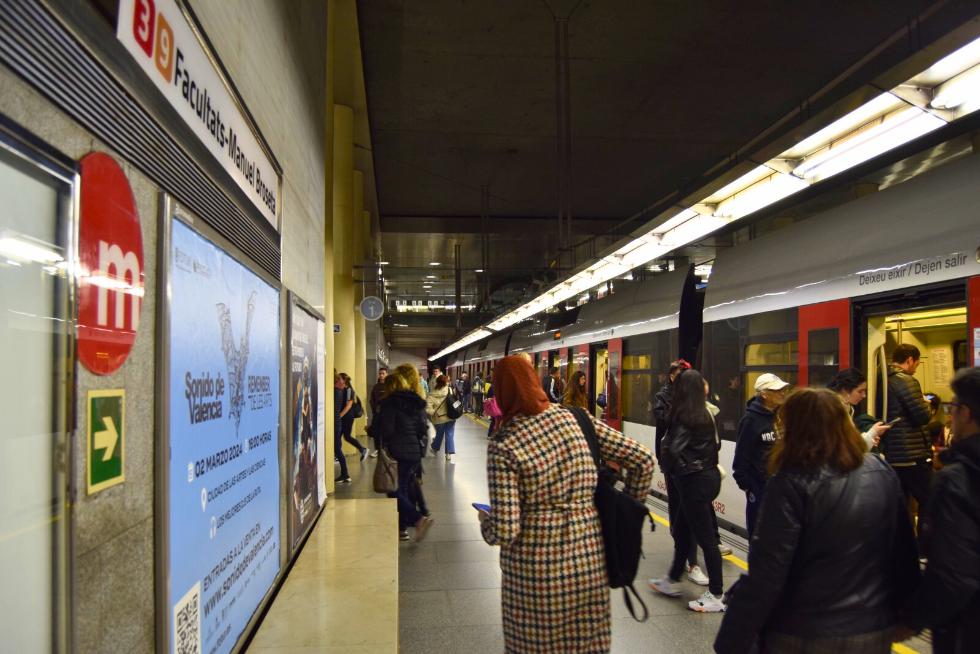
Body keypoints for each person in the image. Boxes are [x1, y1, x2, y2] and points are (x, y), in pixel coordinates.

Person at [715, 387, 920, 654]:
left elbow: (768, 573)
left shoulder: (790, 482)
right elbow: (904, 550)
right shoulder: (880, 471)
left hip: (803, 632)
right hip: (872, 628)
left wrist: (731, 640)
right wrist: (909, 615)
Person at [478, 355, 655, 652]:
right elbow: (644, 460)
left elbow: (506, 530)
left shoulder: (503, 444)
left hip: (533, 574)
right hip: (588, 561)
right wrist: (629, 508)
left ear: (502, 393)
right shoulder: (575, 418)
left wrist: (487, 524)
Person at [899, 367, 980, 653]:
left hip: (968, 628)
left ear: (967, 413)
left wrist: (912, 619)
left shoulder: (956, 478)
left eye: (953, 407)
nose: (949, 414)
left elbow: (953, 574)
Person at [649, 369, 726, 612]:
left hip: (692, 483)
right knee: (682, 531)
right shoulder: (707, 412)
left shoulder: (684, 416)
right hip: (706, 477)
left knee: (706, 540)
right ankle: (671, 580)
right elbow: (717, 444)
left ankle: (716, 594)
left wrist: (668, 467)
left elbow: (671, 450)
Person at [374, 369, 434, 543]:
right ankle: (404, 527)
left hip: (397, 452)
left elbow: (387, 430)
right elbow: (422, 428)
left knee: (393, 490)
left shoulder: (389, 404)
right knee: (404, 488)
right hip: (414, 452)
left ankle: (417, 519)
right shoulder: (415, 402)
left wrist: (375, 431)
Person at [883, 344, 934, 539]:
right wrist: (927, 404)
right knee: (929, 500)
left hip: (894, 455)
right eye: (917, 363)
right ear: (910, 360)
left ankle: (904, 548)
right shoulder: (907, 380)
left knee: (901, 503)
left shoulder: (883, 378)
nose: (915, 367)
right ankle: (924, 547)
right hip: (912, 454)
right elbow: (922, 416)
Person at [732, 373, 788, 537]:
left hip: (781, 487)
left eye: (784, 389)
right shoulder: (750, 420)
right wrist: (750, 487)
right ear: (764, 394)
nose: (783, 393)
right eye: (777, 390)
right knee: (760, 536)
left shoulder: (780, 416)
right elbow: (741, 457)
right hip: (760, 488)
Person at [827, 367, 892, 451]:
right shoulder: (833, 409)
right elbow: (843, 447)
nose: (864, 395)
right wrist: (871, 433)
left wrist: (870, 439)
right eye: (860, 391)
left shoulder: (847, 408)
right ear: (845, 390)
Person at [426, 374, 458, 463]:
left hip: (439, 418)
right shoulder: (449, 390)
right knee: (450, 434)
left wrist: (433, 413)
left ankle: (435, 447)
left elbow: (428, 408)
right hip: (450, 416)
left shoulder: (432, 394)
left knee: (439, 433)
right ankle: (448, 453)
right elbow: (454, 402)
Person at [338, 372, 368, 461]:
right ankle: (337, 454)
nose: (338, 380)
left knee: (346, 436)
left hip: (347, 416)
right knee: (339, 435)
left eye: (339, 378)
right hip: (344, 416)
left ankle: (363, 449)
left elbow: (348, 405)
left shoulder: (349, 390)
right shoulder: (343, 389)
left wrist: (339, 416)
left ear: (344, 380)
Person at [333, 373, 352, 484]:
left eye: (338, 379)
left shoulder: (336, 391)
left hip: (336, 424)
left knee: (337, 449)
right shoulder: (339, 391)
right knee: (337, 448)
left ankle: (345, 474)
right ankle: (345, 474)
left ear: (342, 382)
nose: (336, 380)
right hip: (337, 423)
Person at [368, 366, 389, 457]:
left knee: (386, 432)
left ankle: (385, 449)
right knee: (376, 432)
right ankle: (377, 449)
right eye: (380, 374)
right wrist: (374, 409)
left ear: (386, 374)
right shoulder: (376, 386)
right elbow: (371, 399)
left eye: (383, 374)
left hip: (387, 414)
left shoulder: (390, 386)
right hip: (377, 414)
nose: (381, 375)